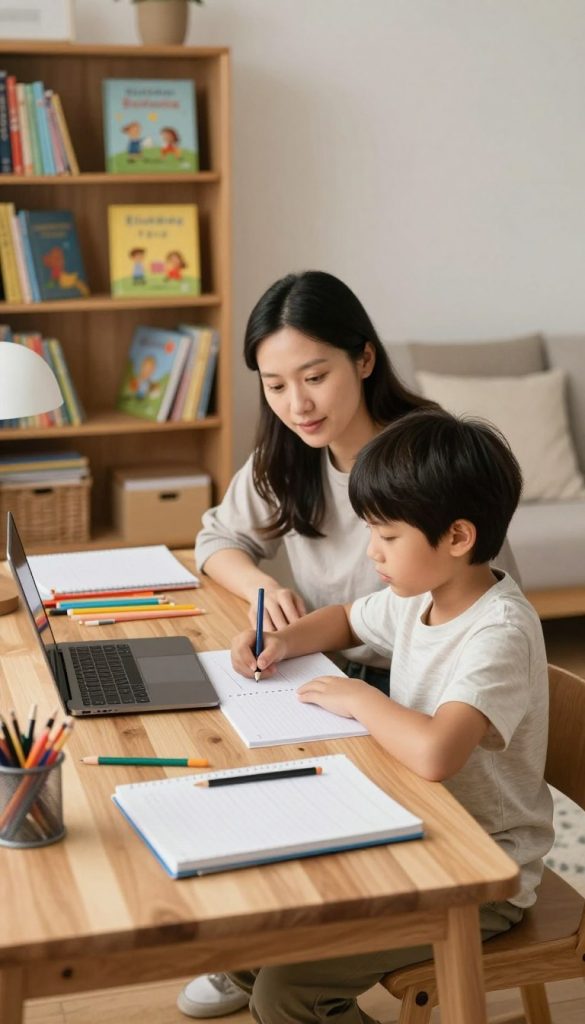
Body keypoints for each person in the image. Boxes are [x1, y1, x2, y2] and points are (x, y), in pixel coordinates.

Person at [178, 271, 520, 1018]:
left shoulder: (425, 463)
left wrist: (357, 689)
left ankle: (269, 968)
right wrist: (271, 610)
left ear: (363, 360)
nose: (296, 404)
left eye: (313, 376)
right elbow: (220, 541)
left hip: (423, 708)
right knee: (237, 786)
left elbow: (473, 609)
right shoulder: (290, 456)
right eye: (274, 385)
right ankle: (253, 961)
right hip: (354, 682)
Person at [222, 408, 554, 1024]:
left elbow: (437, 753)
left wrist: (360, 698)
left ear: (457, 538)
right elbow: (347, 619)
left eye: (388, 536)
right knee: (251, 929)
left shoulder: (499, 631)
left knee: (286, 994)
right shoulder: (423, 596)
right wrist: (282, 641)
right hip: (415, 832)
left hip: (481, 874)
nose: (372, 551)